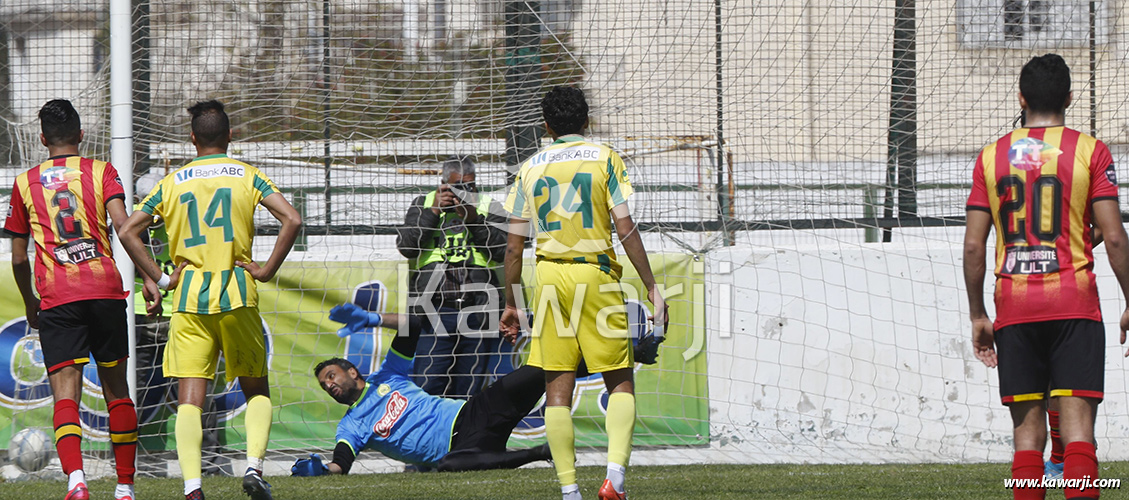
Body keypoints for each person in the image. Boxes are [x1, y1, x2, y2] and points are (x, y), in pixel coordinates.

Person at [118, 100, 303, 500]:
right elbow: (293, 218)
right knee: (256, 389)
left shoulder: (172, 182)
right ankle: (253, 468)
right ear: (230, 135)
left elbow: (128, 230)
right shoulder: (247, 175)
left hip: (188, 299)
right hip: (237, 293)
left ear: (192, 138)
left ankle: (192, 487)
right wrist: (267, 270)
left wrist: (161, 278)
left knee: (190, 399)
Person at [964, 54, 1129, 500]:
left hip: (1014, 308)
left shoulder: (991, 157)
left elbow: (974, 246)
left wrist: (978, 314)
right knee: (1078, 434)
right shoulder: (1090, 151)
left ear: (1021, 98)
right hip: (1073, 303)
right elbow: (1114, 236)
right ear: (1069, 99)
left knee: (1027, 438)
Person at [499, 86, 668, 500]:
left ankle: (569, 490)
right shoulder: (604, 157)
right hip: (595, 273)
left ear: (546, 126)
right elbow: (624, 227)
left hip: (550, 277)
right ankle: (615, 480)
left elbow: (513, 247)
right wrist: (651, 285)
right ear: (586, 120)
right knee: (619, 380)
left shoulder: (529, 168)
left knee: (557, 388)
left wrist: (511, 303)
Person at [3, 99, 142, 500]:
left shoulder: (25, 183)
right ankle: (125, 487)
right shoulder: (102, 171)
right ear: (81, 135)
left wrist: (30, 301)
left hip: (58, 298)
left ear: (42, 139)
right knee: (117, 389)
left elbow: (18, 258)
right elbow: (124, 227)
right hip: (105, 291)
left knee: (66, 393)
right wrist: (151, 277)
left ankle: (77, 481)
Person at [294, 303, 551, 476]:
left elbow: (412, 325)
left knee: (544, 369)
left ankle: (578, 361)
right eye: (324, 385)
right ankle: (540, 452)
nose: (329, 385)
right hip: (463, 448)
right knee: (450, 466)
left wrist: (372, 319)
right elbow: (341, 463)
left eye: (331, 376)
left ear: (352, 371)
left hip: (474, 412)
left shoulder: (388, 375)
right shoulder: (350, 426)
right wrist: (323, 470)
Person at [131, 176, 232, 477]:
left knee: (196, 389)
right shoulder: (131, 223)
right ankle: (127, 460)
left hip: (183, 313)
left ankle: (210, 462)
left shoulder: (183, 215)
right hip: (141, 316)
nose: (156, 213)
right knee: (136, 391)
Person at [395, 157, 508, 399]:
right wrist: (434, 211)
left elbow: (503, 251)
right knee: (428, 384)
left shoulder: (488, 205)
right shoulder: (424, 203)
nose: (463, 192)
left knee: (470, 388)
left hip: (477, 309)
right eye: (457, 186)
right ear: (444, 183)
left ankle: (463, 425)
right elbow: (407, 246)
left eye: (469, 186)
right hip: (435, 310)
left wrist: (474, 219)